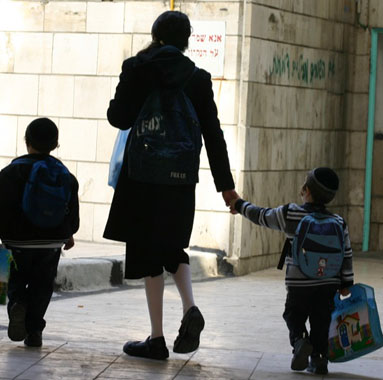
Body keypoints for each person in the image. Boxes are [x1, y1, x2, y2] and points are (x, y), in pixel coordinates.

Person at [104, 10, 239, 360]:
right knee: (172, 247)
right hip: (180, 180)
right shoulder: (198, 78)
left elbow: (118, 117)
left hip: (141, 177)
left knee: (148, 253)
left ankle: (156, 338)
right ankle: (190, 307)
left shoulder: (137, 67)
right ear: (186, 40)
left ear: (156, 35)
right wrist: (226, 187)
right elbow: (213, 135)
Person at [228, 168, 353, 374]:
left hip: (298, 283)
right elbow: (346, 253)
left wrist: (240, 205)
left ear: (307, 191)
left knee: (293, 315)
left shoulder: (291, 213)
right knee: (321, 321)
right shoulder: (339, 222)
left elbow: (262, 215)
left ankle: (300, 340)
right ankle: (320, 360)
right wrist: (346, 283)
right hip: (328, 283)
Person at [0, 117, 79, 347]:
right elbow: (71, 207)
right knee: (43, 286)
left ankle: (17, 303)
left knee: (16, 280)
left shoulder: (11, 171)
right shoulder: (63, 174)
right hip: (50, 243)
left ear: (27, 141)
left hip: (17, 242)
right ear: (55, 144)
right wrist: (69, 233)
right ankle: (35, 331)